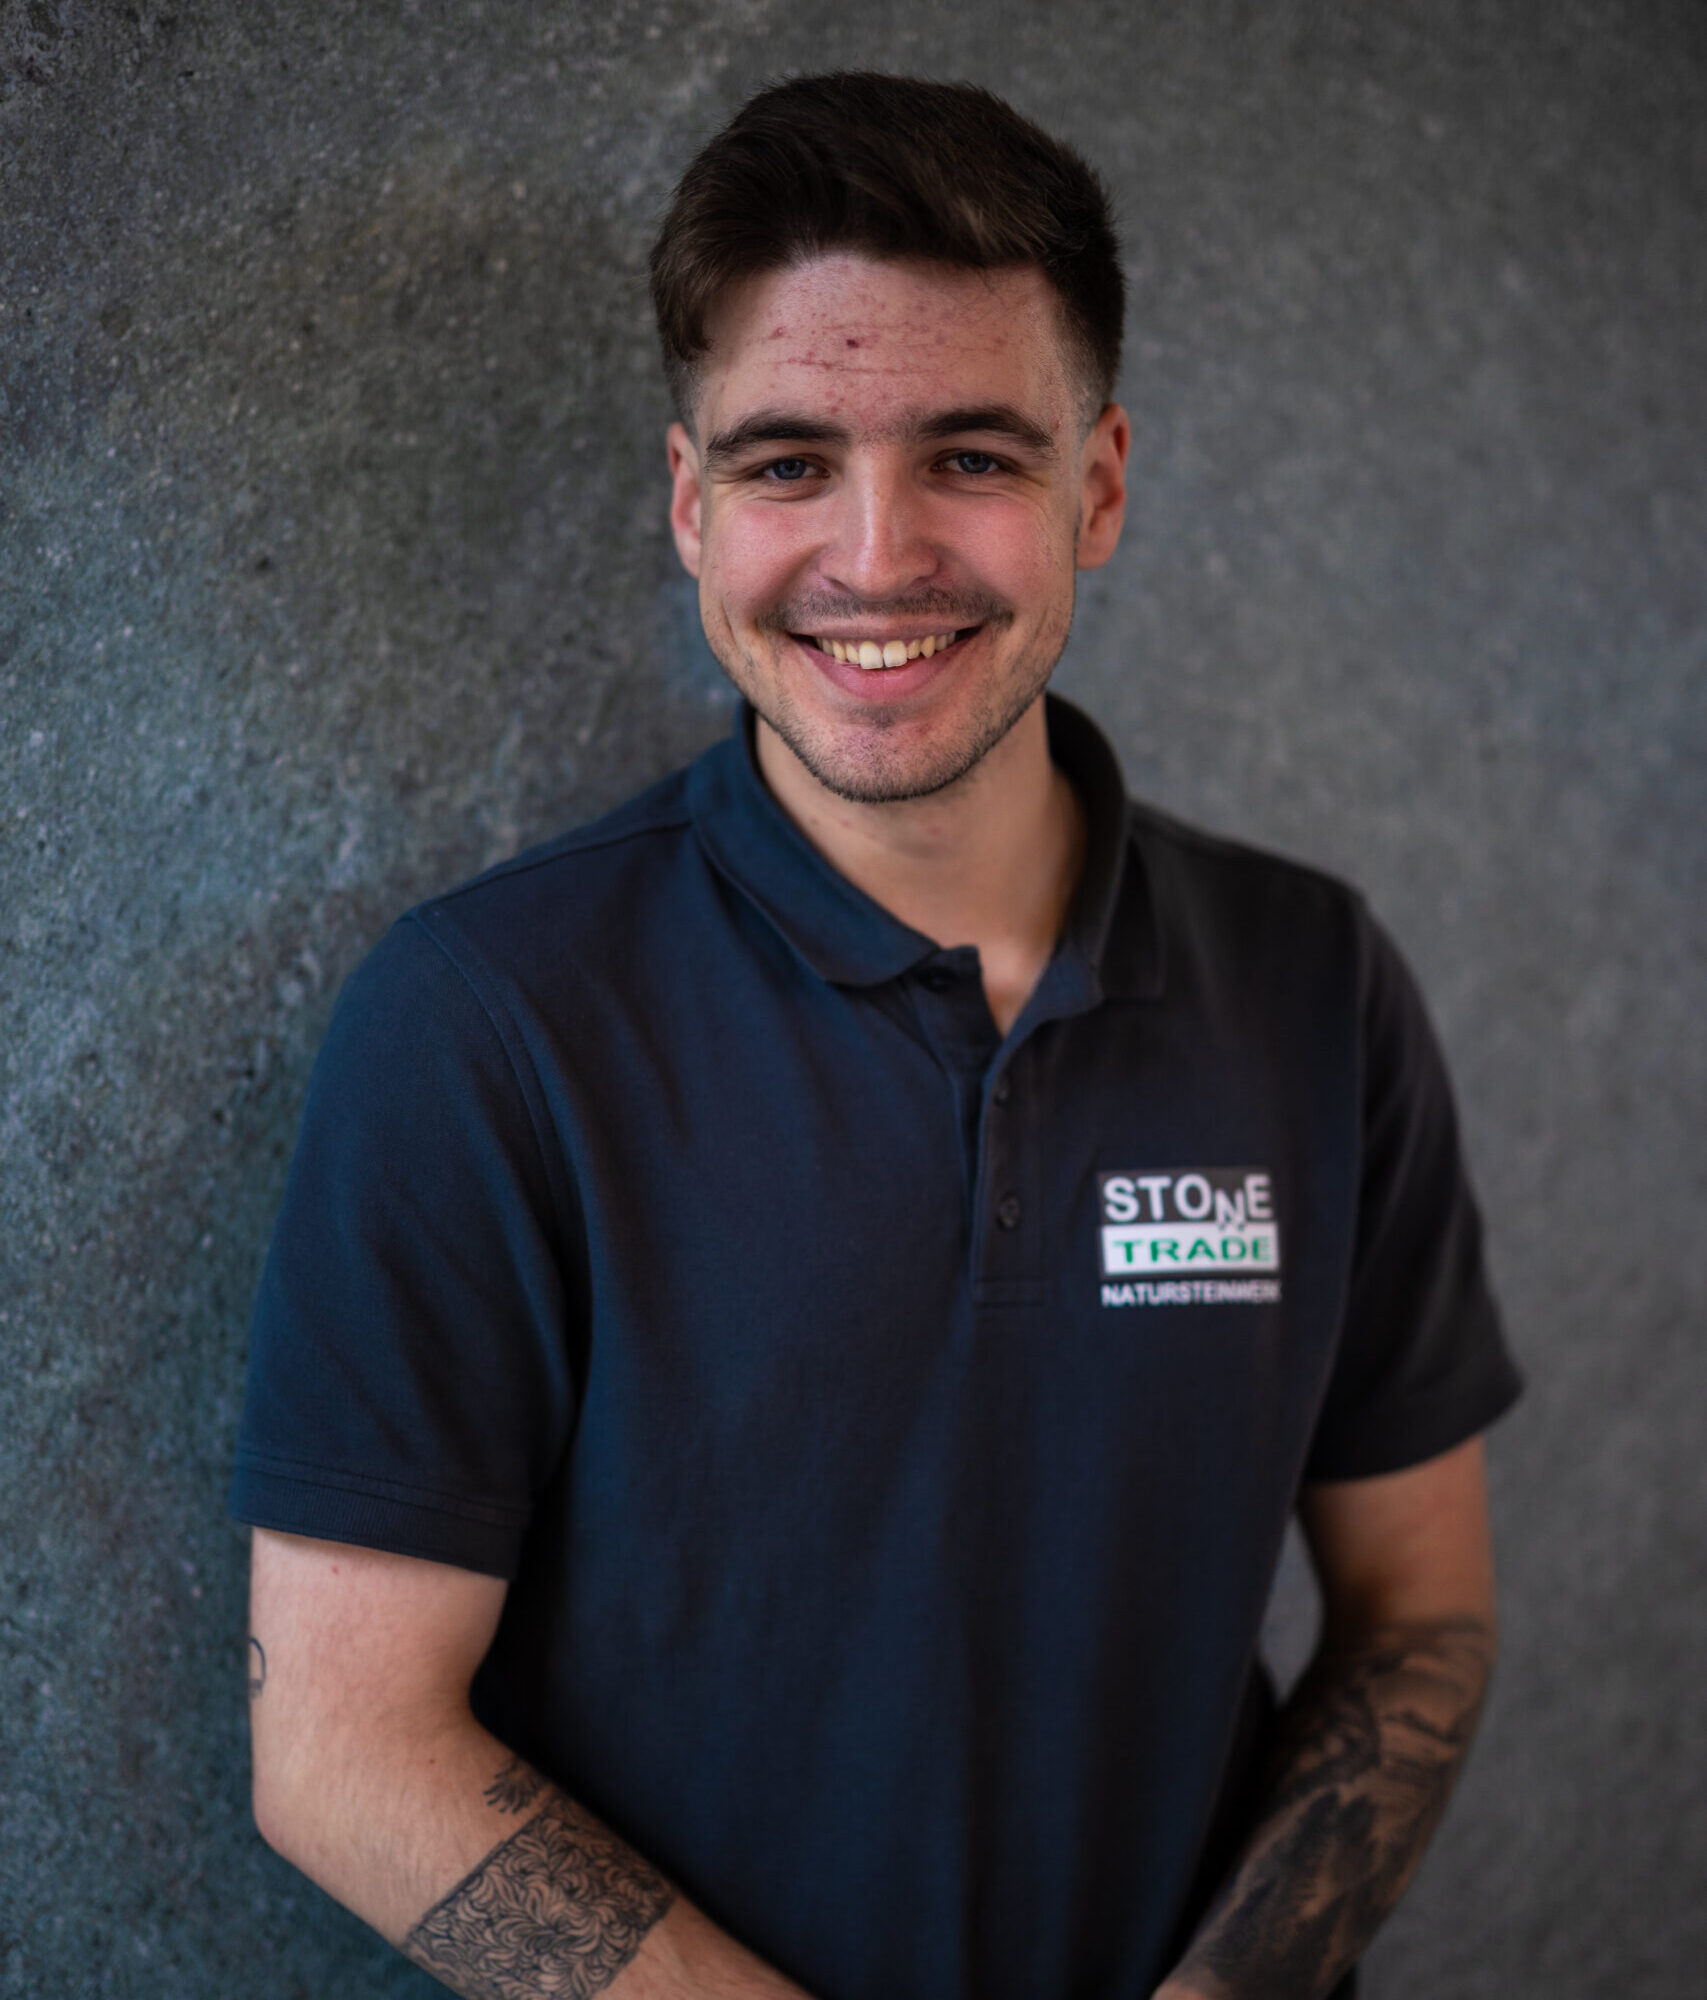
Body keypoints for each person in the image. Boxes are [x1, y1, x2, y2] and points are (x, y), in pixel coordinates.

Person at [232, 72, 1521, 2000]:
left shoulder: (1311, 981)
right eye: (786, 465)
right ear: (692, 505)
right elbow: (343, 1747)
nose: (875, 554)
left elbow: (1422, 1612)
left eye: (971, 457)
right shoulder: (486, 1022)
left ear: (1097, 487)